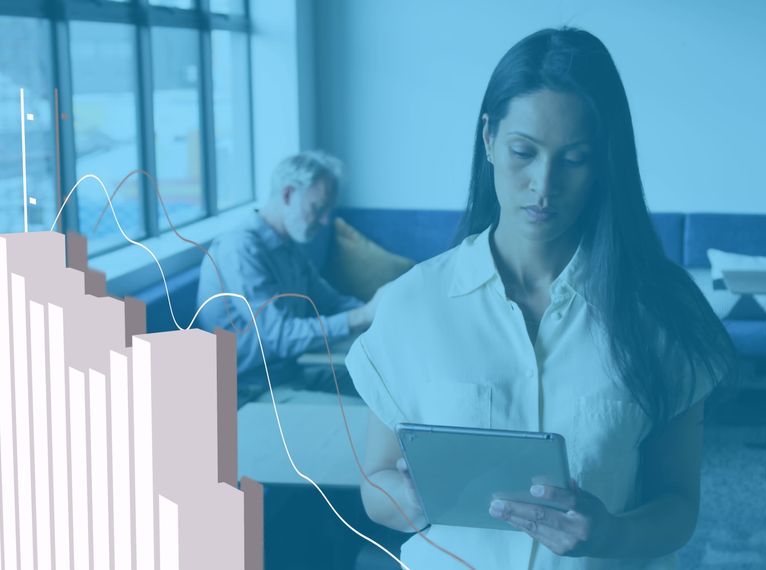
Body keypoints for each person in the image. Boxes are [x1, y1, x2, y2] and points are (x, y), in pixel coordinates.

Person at [347, 28, 735, 569]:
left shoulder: (663, 311)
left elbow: (679, 506)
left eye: (574, 158)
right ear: (488, 138)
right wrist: (411, 499)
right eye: (523, 153)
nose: (544, 184)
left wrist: (612, 536)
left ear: (605, 163)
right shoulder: (414, 304)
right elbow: (376, 481)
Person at [197, 150, 377, 404]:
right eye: (318, 208)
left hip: (289, 374)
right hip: (249, 390)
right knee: (366, 414)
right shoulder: (240, 249)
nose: (325, 220)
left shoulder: (289, 245)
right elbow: (279, 336)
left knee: (384, 390)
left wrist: (382, 313)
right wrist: (361, 316)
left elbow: (330, 302)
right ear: (288, 194)